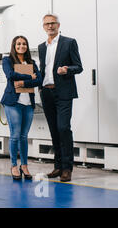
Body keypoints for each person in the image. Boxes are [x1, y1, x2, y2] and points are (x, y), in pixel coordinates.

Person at [38, 14, 83, 182]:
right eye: (46, 24)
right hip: (47, 93)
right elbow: (44, 69)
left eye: (52, 23)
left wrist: (67, 69)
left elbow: (79, 66)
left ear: (58, 25)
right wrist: (40, 88)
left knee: (63, 128)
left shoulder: (69, 42)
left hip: (63, 92)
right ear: (43, 27)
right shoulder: (42, 47)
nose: (50, 26)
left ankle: (67, 168)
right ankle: (57, 167)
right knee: (54, 130)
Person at [1, 36, 42, 180]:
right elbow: (10, 75)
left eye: (24, 43)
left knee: (24, 136)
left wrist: (24, 82)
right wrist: (29, 76)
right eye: (18, 44)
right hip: (13, 102)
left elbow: (39, 80)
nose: (21, 46)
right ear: (14, 45)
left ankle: (24, 165)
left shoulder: (32, 62)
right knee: (15, 135)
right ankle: (13, 165)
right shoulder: (7, 60)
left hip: (28, 104)